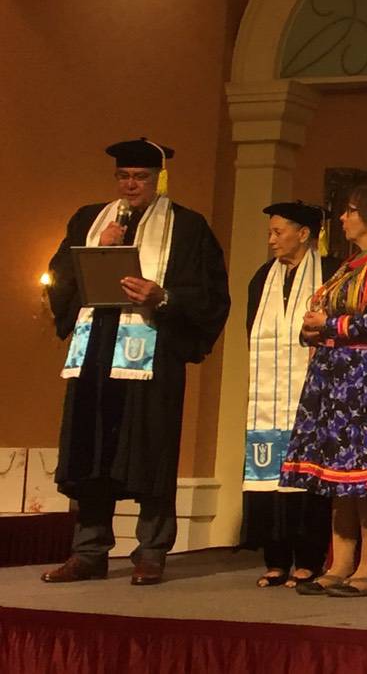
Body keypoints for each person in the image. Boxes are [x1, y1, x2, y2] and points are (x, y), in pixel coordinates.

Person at [42, 138, 230, 586]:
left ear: (158, 179)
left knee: (152, 449)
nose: (131, 185)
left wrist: (162, 297)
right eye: (124, 176)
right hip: (94, 353)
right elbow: (59, 280)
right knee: (91, 451)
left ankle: (151, 551)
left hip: (152, 354)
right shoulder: (89, 221)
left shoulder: (187, 227)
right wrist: (94, 250)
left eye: (141, 177)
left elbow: (210, 296)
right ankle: (89, 552)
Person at [279, 183, 367, 598]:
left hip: (362, 376)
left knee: (362, 475)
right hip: (332, 374)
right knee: (337, 476)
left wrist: (330, 325)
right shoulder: (352, 263)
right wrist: (311, 329)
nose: (343, 218)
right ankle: (340, 563)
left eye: (351, 211)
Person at [240, 201, 339, 589]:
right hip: (269, 397)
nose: (271, 240)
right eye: (270, 232)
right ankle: (276, 559)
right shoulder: (262, 278)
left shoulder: (330, 274)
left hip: (312, 395)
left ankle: (309, 558)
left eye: (278, 232)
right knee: (269, 475)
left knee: (308, 475)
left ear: (304, 233)